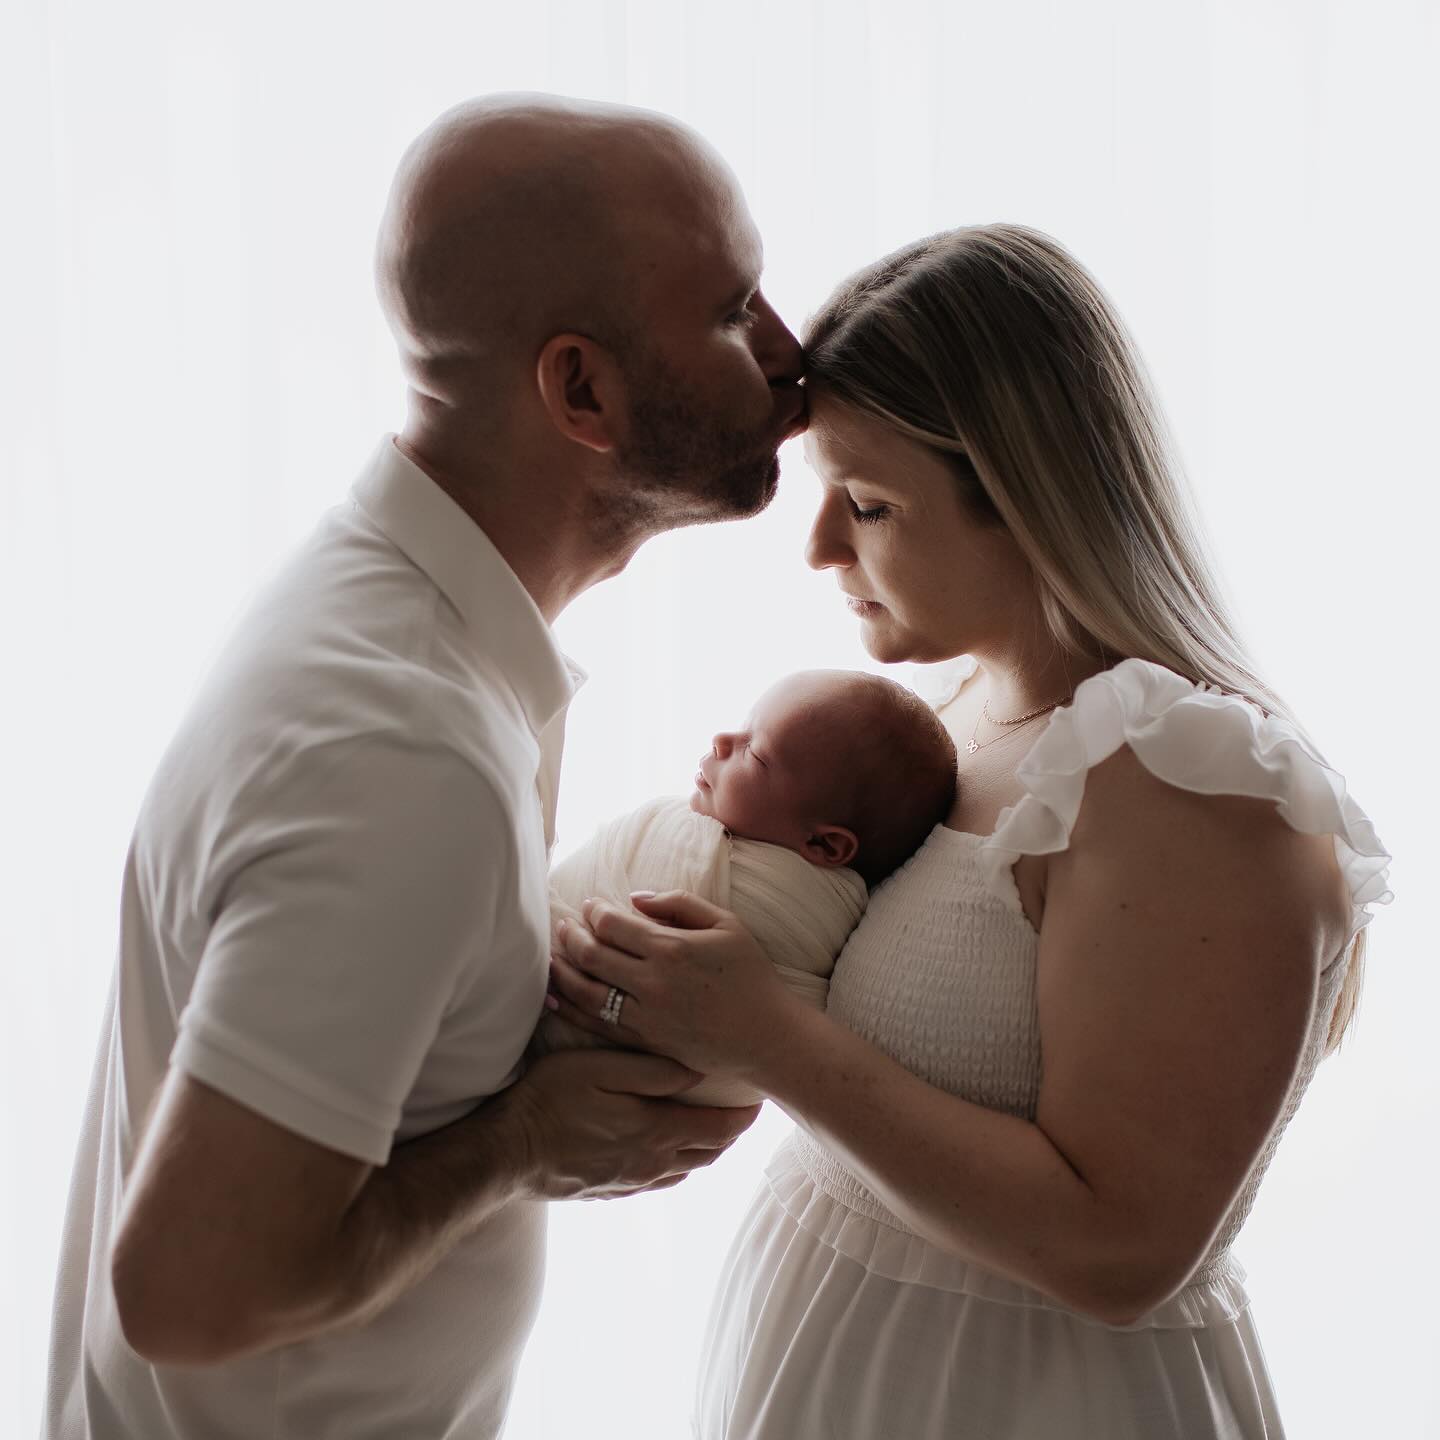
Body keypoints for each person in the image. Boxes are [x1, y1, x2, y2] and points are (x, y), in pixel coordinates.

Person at [42, 93, 806, 1440]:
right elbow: (187, 1297)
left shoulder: (393, 616)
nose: (795, 355)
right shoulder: (406, 748)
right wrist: (526, 1141)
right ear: (581, 390)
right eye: (736, 309)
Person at [548, 224, 1394, 1439]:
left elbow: (1125, 1251)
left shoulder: (1185, 779)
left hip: (1021, 1397)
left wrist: (765, 1037)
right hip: (843, 1360)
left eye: (871, 504)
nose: (821, 547)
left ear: (1028, 497)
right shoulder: (952, 715)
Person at [532, 669, 957, 1105]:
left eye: (755, 755)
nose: (721, 740)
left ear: (823, 843)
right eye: (742, 726)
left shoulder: (771, 901)